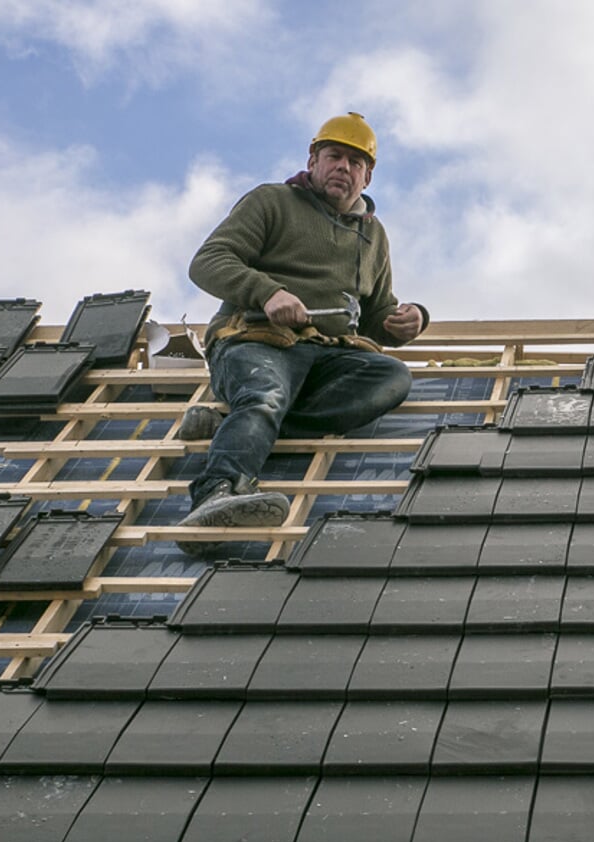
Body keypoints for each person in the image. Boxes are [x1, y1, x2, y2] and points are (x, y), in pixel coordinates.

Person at [175, 112, 427, 556]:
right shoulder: (272, 202)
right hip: (258, 341)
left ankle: (231, 422)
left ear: (367, 176)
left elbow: (373, 313)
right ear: (313, 160)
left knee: (392, 378)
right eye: (334, 157)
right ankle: (216, 493)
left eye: (355, 162)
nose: (343, 168)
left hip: (327, 354)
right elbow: (209, 261)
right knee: (266, 393)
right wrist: (267, 293)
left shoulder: (373, 236)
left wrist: (407, 320)